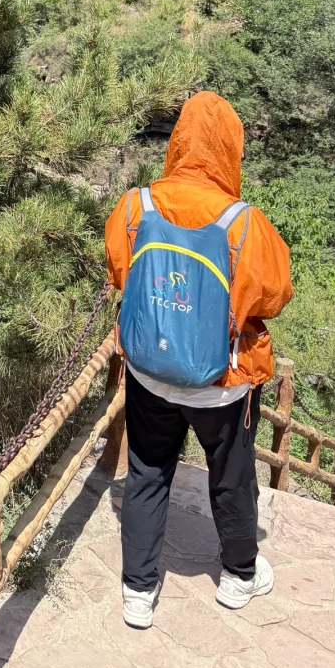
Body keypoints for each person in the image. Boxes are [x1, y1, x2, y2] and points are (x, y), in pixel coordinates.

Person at [104, 91, 293, 629]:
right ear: (229, 148)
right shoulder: (243, 223)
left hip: (148, 372)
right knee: (230, 476)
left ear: (179, 141)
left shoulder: (136, 205)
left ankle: (138, 592)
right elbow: (274, 295)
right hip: (221, 383)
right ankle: (238, 576)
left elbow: (122, 272)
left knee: (146, 472)